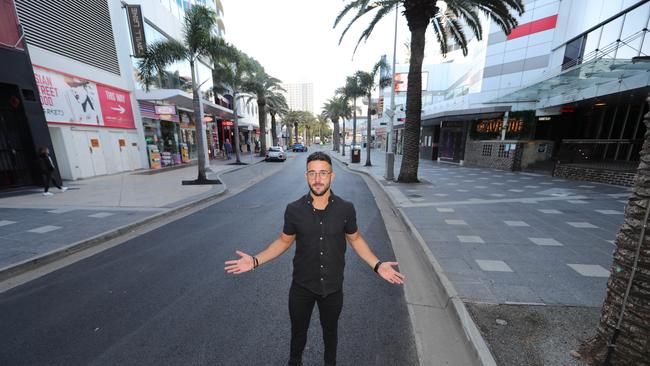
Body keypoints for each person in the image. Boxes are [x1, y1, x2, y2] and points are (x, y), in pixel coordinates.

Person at [225, 151, 405, 366]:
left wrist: (377, 265)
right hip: (301, 288)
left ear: (332, 176)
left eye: (323, 173)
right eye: (312, 173)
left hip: (333, 288)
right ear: (306, 176)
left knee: (331, 334)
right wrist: (255, 261)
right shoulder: (293, 210)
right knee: (298, 334)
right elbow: (283, 241)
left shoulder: (346, 209)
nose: (317, 179)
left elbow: (355, 239)